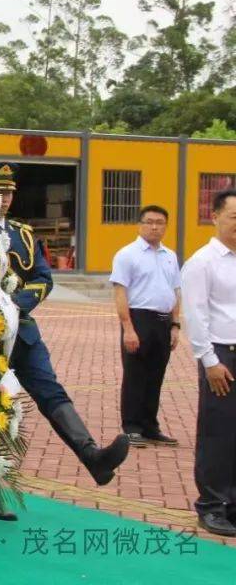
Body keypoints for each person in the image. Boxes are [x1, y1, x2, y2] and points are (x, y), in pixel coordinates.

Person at [0, 163, 129, 520]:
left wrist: (16, 305)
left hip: (22, 332)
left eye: (10, 191)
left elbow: (43, 277)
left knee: (51, 392)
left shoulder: (24, 236)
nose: (6, 198)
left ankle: (92, 455)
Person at [181, 188, 236, 537]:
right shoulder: (202, 261)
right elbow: (196, 315)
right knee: (218, 432)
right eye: (234, 217)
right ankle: (212, 505)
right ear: (215, 216)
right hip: (221, 355)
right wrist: (209, 361)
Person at [110, 205, 182, 447]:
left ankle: (150, 427)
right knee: (135, 375)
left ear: (165, 226)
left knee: (155, 376)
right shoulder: (127, 254)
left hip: (163, 322)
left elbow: (176, 291)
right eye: (149, 222)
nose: (154, 227)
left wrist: (175, 325)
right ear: (140, 225)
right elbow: (121, 293)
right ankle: (131, 427)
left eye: (160, 222)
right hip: (139, 319)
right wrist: (128, 328)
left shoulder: (170, 255)